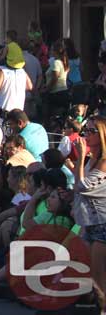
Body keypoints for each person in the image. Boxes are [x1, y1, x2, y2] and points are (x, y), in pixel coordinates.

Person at [72, 116, 106, 310]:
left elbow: (82, 187)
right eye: (86, 131)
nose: (86, 135)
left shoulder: (103, 163)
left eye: (92, 131)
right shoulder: (93, 160)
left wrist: (80, 157)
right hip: (89, 223)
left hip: (102, 225)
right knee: (92, 277)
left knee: (100, 280)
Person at [0, 44, 30, 114]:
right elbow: (29, 86)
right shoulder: (22, 71)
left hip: (4, 111)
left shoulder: (1, 70)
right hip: (18, 111)